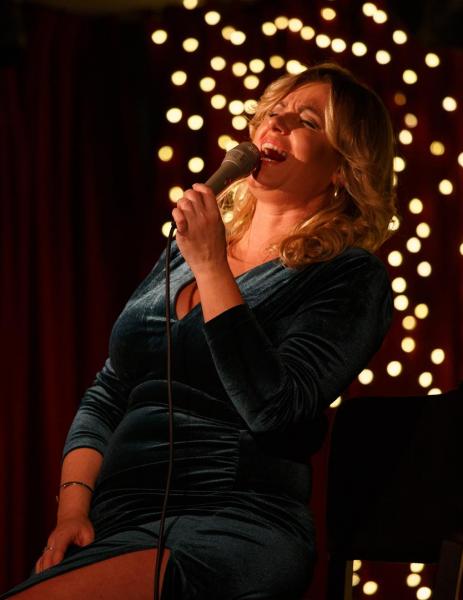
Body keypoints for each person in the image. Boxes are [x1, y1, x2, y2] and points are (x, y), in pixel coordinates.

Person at [2, 62, 397, 599]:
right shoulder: (183, 254)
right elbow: (110, 390)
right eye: (274, 112)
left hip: (231, 523)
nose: (276, 124)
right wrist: (72, 508)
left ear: (342, 170)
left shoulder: (348, 276)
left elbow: (275, 408)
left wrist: (212, 267)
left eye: (306, 121)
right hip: (116, 522)